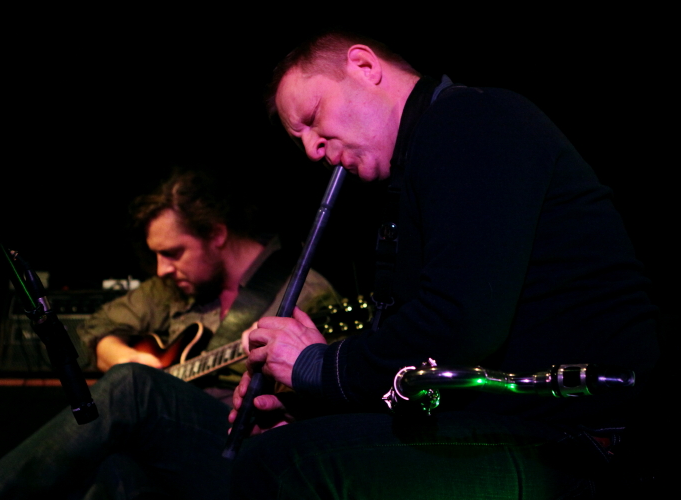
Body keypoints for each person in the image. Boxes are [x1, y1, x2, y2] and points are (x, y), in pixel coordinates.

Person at [229, 31, 660, 499]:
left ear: (364, 67)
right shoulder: (421, 161)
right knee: (272, 449)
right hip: (514, 427)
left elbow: (459, 325)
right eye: (301, 140)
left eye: (313, 117)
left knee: (279, 465)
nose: (313, 149)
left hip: (580, 444)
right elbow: (423, 375)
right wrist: (315, 408)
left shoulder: (470, 119)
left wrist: (320, 367)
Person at [0, 167, 340, 499]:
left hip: (247, 446)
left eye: (172, 253)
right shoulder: (173, 287)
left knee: (133, 386)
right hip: (176, 446)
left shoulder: (304, 292)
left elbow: (324, 400)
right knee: (116, 467)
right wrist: (123, 355)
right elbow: (97, 326)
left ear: (216, 234)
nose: (162, 269)